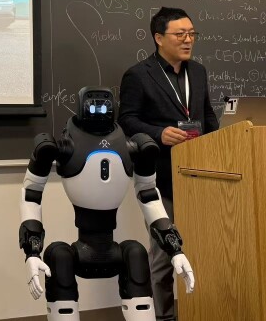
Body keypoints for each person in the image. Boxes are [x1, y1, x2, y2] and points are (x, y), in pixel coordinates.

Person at [19, 86, 195, 321]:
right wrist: (32, 251)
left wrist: (174, 248)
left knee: (135, 253)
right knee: (58, 256)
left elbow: (149, 194)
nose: (98, 110)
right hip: (78, 251)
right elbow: (31, 193)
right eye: (93, 106)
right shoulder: (59, 146)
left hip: (114, 249)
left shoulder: (135, 146)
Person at [118, 6, 218, 321]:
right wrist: (158, 133)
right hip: (161, 178)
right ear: (159, 38)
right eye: (180, 34)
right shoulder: (138, 75)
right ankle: (162, 316)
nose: (188, 40)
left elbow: (207, 115)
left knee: (204, 248)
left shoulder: (198, 71)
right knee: (165, 251)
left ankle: (201, 310)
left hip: (200, 174)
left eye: (192, 34)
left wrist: (223, 140)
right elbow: (127, 120)